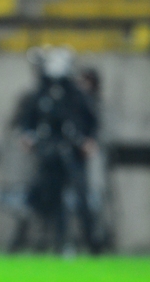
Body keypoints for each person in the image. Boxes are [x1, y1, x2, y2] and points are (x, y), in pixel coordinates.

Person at [11, 48, 101, 254]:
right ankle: (45, 241)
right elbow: (27, 119)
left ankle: (93, 244)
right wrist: (27, 135)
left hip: (73, 152)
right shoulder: (41, 94)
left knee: (81, 197)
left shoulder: (75, 94)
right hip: (48, 152)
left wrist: (89, 141)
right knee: (44, 198)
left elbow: (91, 121)